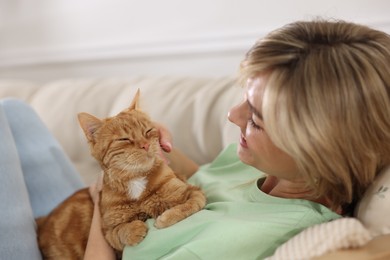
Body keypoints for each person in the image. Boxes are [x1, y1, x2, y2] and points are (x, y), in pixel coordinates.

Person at [1, 19, 389, 260]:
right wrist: (161, 152)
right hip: (80, 213)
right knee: (13, 113)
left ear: (314, 147)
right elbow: (209, 184)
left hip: (84, 244)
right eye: (243, 99)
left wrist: (104, 201)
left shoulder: (253, 238)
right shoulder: (259, 165)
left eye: (255, 119)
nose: (231, 116)